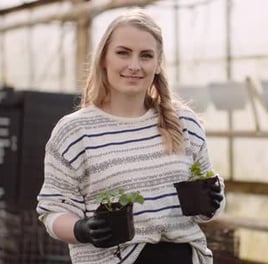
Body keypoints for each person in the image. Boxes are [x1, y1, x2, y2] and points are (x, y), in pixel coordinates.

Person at [36, 9, 225, 264]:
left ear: (158, 64)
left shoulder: (184, 122)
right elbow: (53, 210)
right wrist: (81, 229)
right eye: (123, 53)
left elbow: (207, 209)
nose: (134, 66)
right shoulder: (75, 132)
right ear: (104, 58)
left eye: (146, 56)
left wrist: (213, 201)